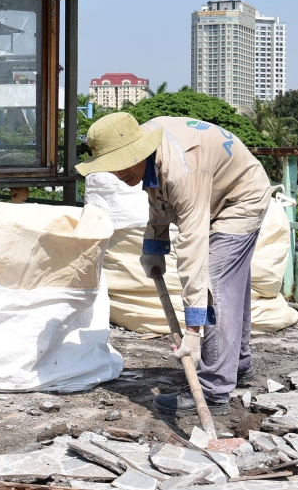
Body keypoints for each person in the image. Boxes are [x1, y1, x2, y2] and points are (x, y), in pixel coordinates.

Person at [76, 112, 273, 416]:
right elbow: (158, 195)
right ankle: (239, 363)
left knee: (218, 285)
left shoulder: (181, 171)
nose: (119, 173)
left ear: (140, 150)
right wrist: (154, 244)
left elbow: (194, 253)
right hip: (214, 187)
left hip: (241, 197)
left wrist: (193, 332)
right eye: (111, 165)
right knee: (231, 286)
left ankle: (213, 390)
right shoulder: (145, 149)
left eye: (123, 162)